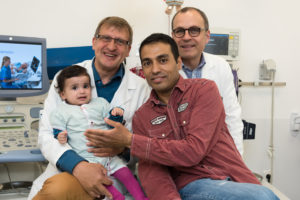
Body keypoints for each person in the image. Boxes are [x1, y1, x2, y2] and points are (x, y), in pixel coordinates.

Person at [84, 33, 279, 200]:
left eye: (162, 60)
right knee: (262, 197)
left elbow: (194, 149)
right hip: (193, 186)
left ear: (178, 62)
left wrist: (130, 140)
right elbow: (153, 173)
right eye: (147, 63)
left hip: (233, 178)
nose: (155, 69)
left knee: (262, 194)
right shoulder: (143, 116)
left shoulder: (204, 90)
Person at [29, 16, 151, 200]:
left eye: (120, 41)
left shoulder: (142, 88)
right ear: (94, 42)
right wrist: (79, 166)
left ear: (128, 50)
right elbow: (47, 135)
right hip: (68, 172)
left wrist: (122, 148)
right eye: (105, 38)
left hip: (114, 171)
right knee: (58, 191)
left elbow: (145, 142)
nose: (111, 46)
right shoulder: (66, 77)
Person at [50, 65, 148, 200]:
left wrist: (116, 114)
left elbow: (111, 121)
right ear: (63, 94)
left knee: (126, 173)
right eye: (74, 88)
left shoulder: (100, 103)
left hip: (110, 156)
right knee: (102, 182)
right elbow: (56, 130)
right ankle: (119, 198)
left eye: (85, 86)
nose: (82, 91)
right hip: (87, 159)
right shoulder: (60, 111)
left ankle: (141, 197)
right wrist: (60, 135)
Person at [171, 7, 244, 155]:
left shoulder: (221, 67)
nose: (186, 37)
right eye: (180, 31)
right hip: (179, 155)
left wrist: (237, 159)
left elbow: (231, 117)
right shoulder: (164, 70)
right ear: (172, 36)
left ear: (207, 35)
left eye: (194, 30)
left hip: (217, 154)